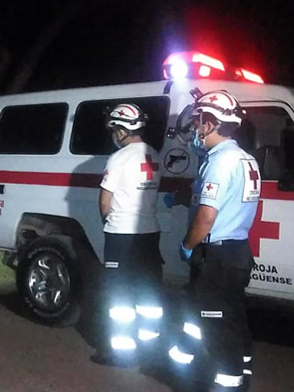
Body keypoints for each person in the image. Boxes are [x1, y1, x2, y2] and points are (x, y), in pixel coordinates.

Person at [168, 90, 259, 391]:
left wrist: (187, 245)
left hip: (216, 256)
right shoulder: (246, 159)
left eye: (197, 122)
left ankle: (228, 384)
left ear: (210, 122)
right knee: (233, 316)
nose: (195, 129)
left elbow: (207, 217)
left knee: (218, 326)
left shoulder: (219, 161)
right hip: (238, 252)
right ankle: (241, 370)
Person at [97, 103, 164, 363]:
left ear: (122, 130)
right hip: (150, 232)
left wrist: (109, 222)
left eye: (115, 129)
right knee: (148, 292)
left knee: (120, 296)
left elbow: (105, 202)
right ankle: (151, 348)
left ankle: (122, 352)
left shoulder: (118, 158)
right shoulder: (154, 154)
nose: (113, 134)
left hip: (121, 235)